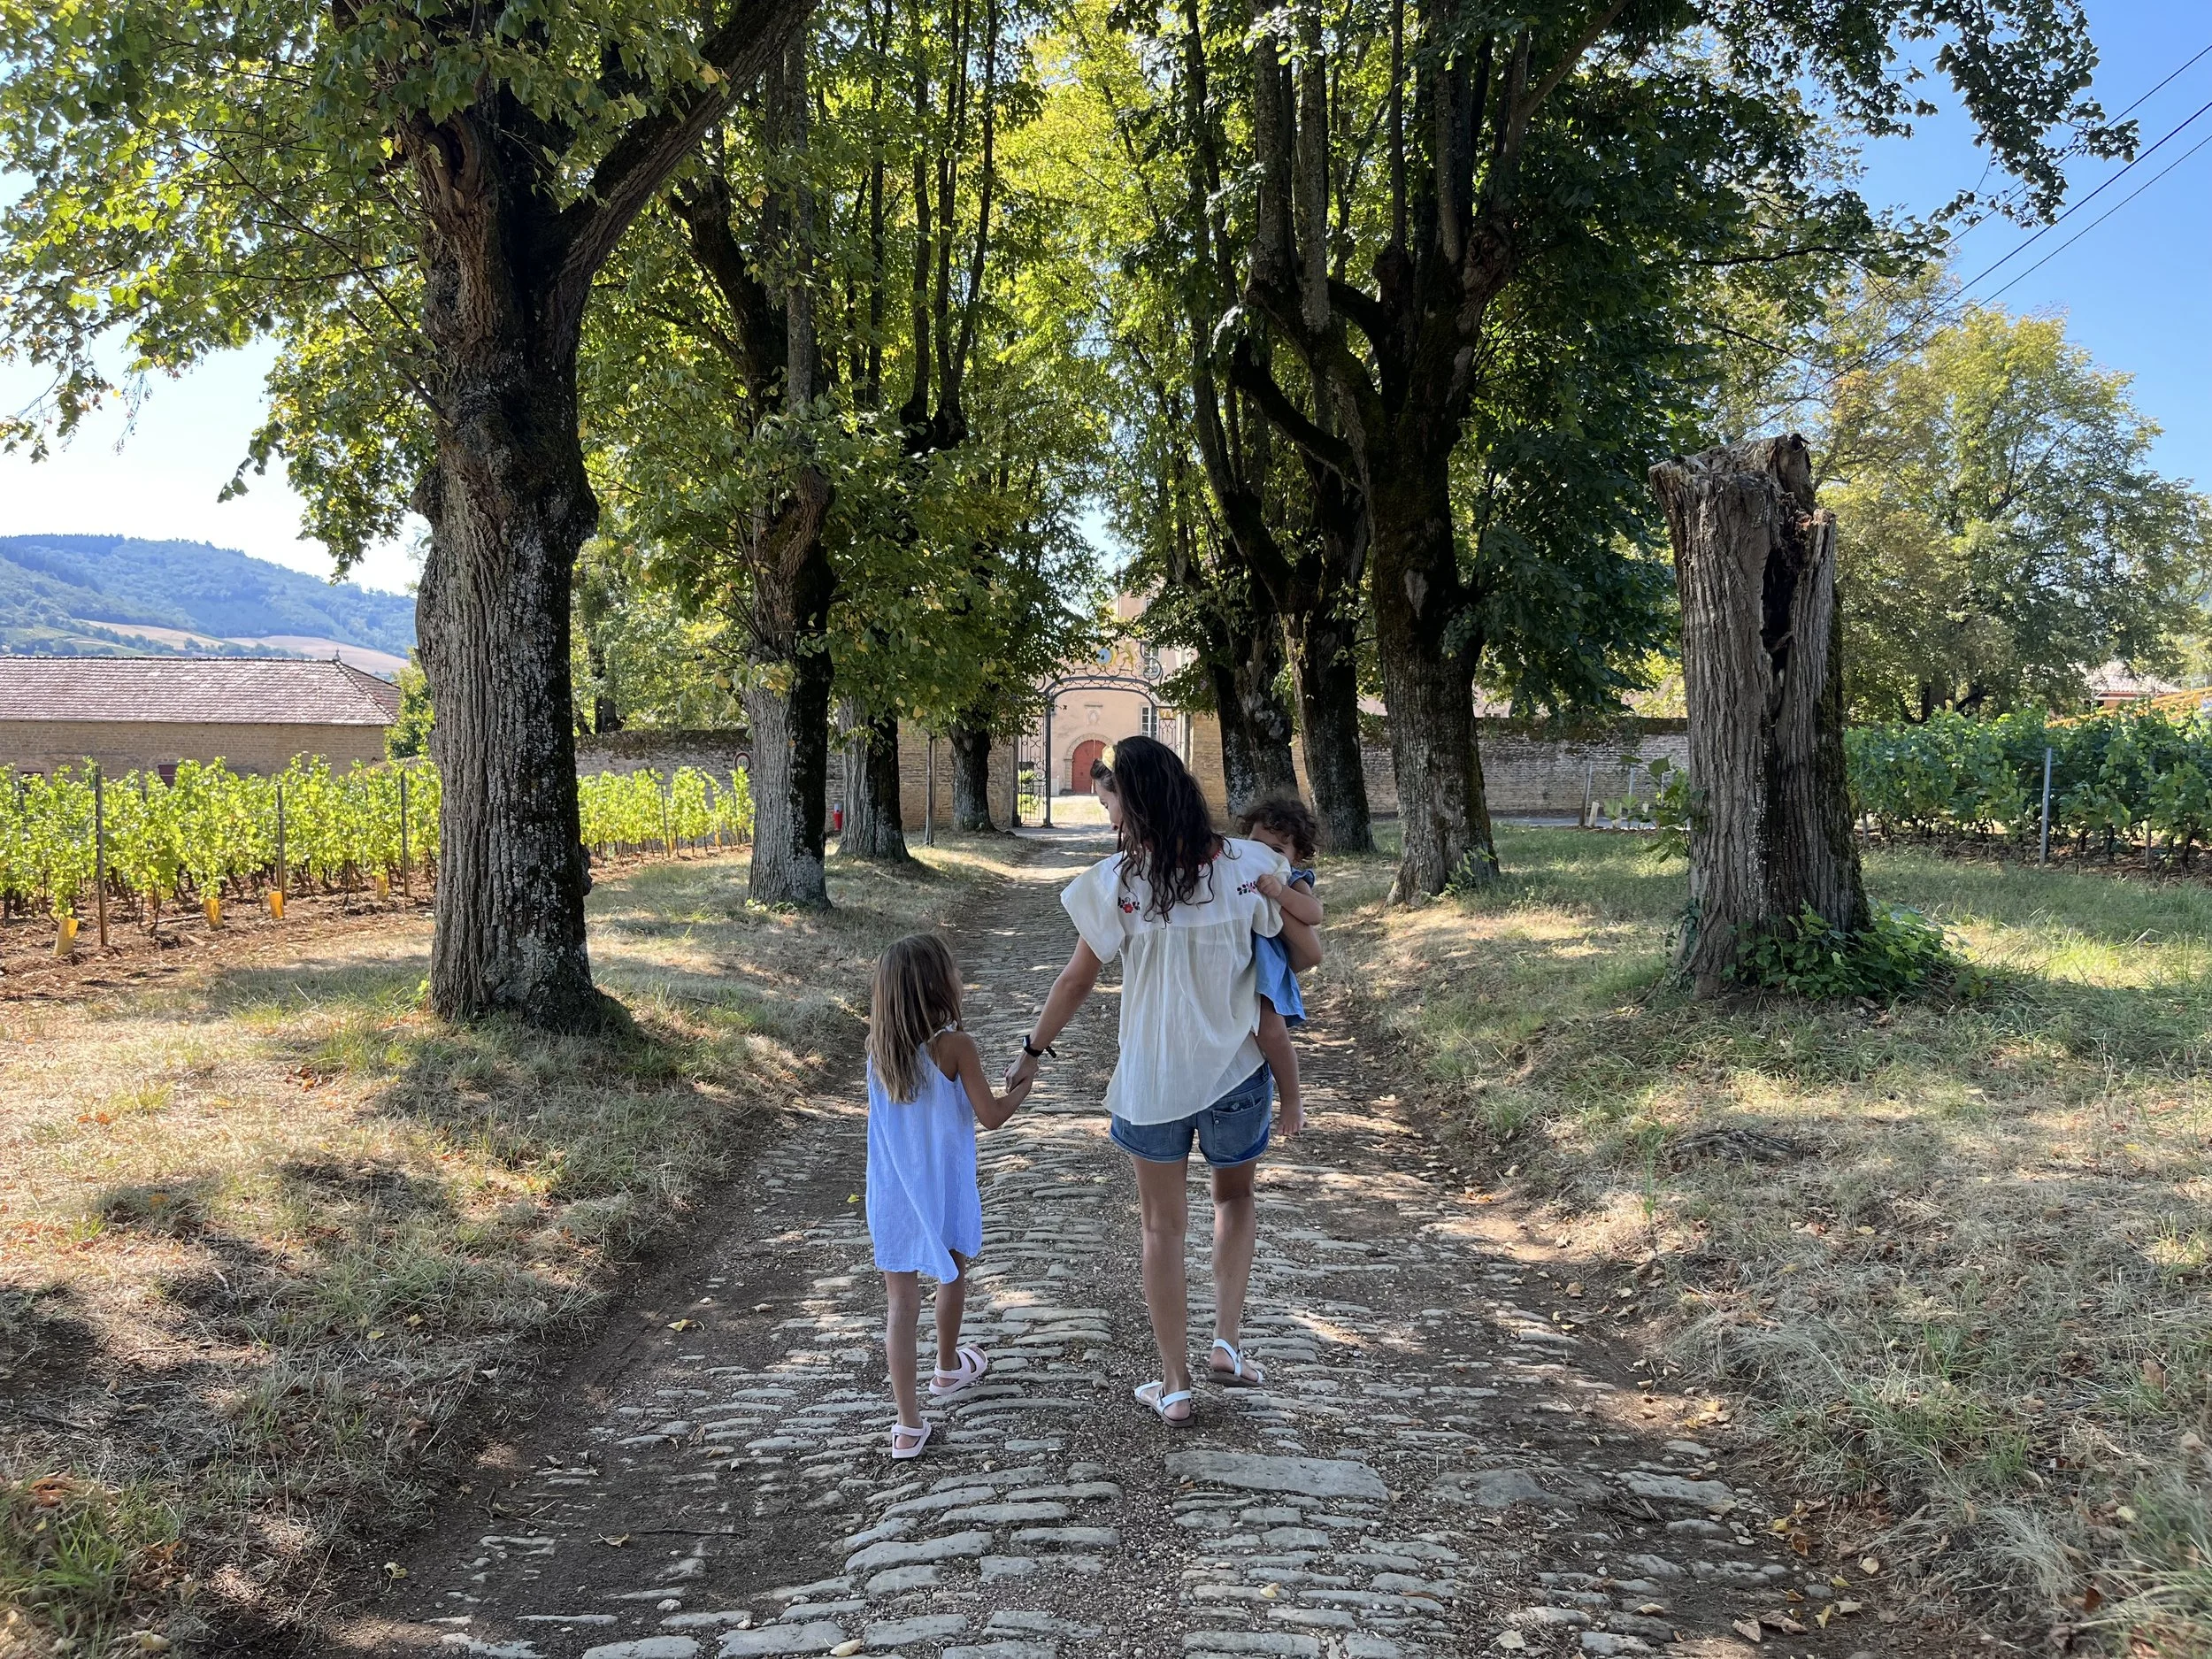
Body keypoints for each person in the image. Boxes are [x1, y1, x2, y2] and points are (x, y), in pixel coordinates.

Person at [1010, 735, 1317, 1425]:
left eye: (1115, 801)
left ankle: (1174, 1384)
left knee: (1160, 1227)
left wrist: (1032, 1050)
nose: (1112, 818)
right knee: (1235, 1199)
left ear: (1135, 799)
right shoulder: (1249, 864)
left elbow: (1075, 979)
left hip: (1152, 1079)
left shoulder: (1119, 881)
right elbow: (1301, 944)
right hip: (1237, 1068)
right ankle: (1226, 1343)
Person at [864, 933, 1031, 1459]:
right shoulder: (956, 1045)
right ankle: (947, 1366)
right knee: (952, 1271)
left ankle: (908, 1425)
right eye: (954, 971)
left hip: (893, 1192)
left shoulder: (879, 1050)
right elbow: (993, 1116)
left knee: (900, 1304)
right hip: (945, 1187)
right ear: (940, 986)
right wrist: (1024, 1083)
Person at [1237, 795, 1324, 1136]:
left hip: (1269, 961)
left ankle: (1291, 1100)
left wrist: (1279, 893)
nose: (1265, 856)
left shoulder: (1292, 878)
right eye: (1258, 844)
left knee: (1272, 1031)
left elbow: (1314, 914)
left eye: (1278, 850)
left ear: (1296, 855)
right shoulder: (1238, 869)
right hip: (1240, 957)